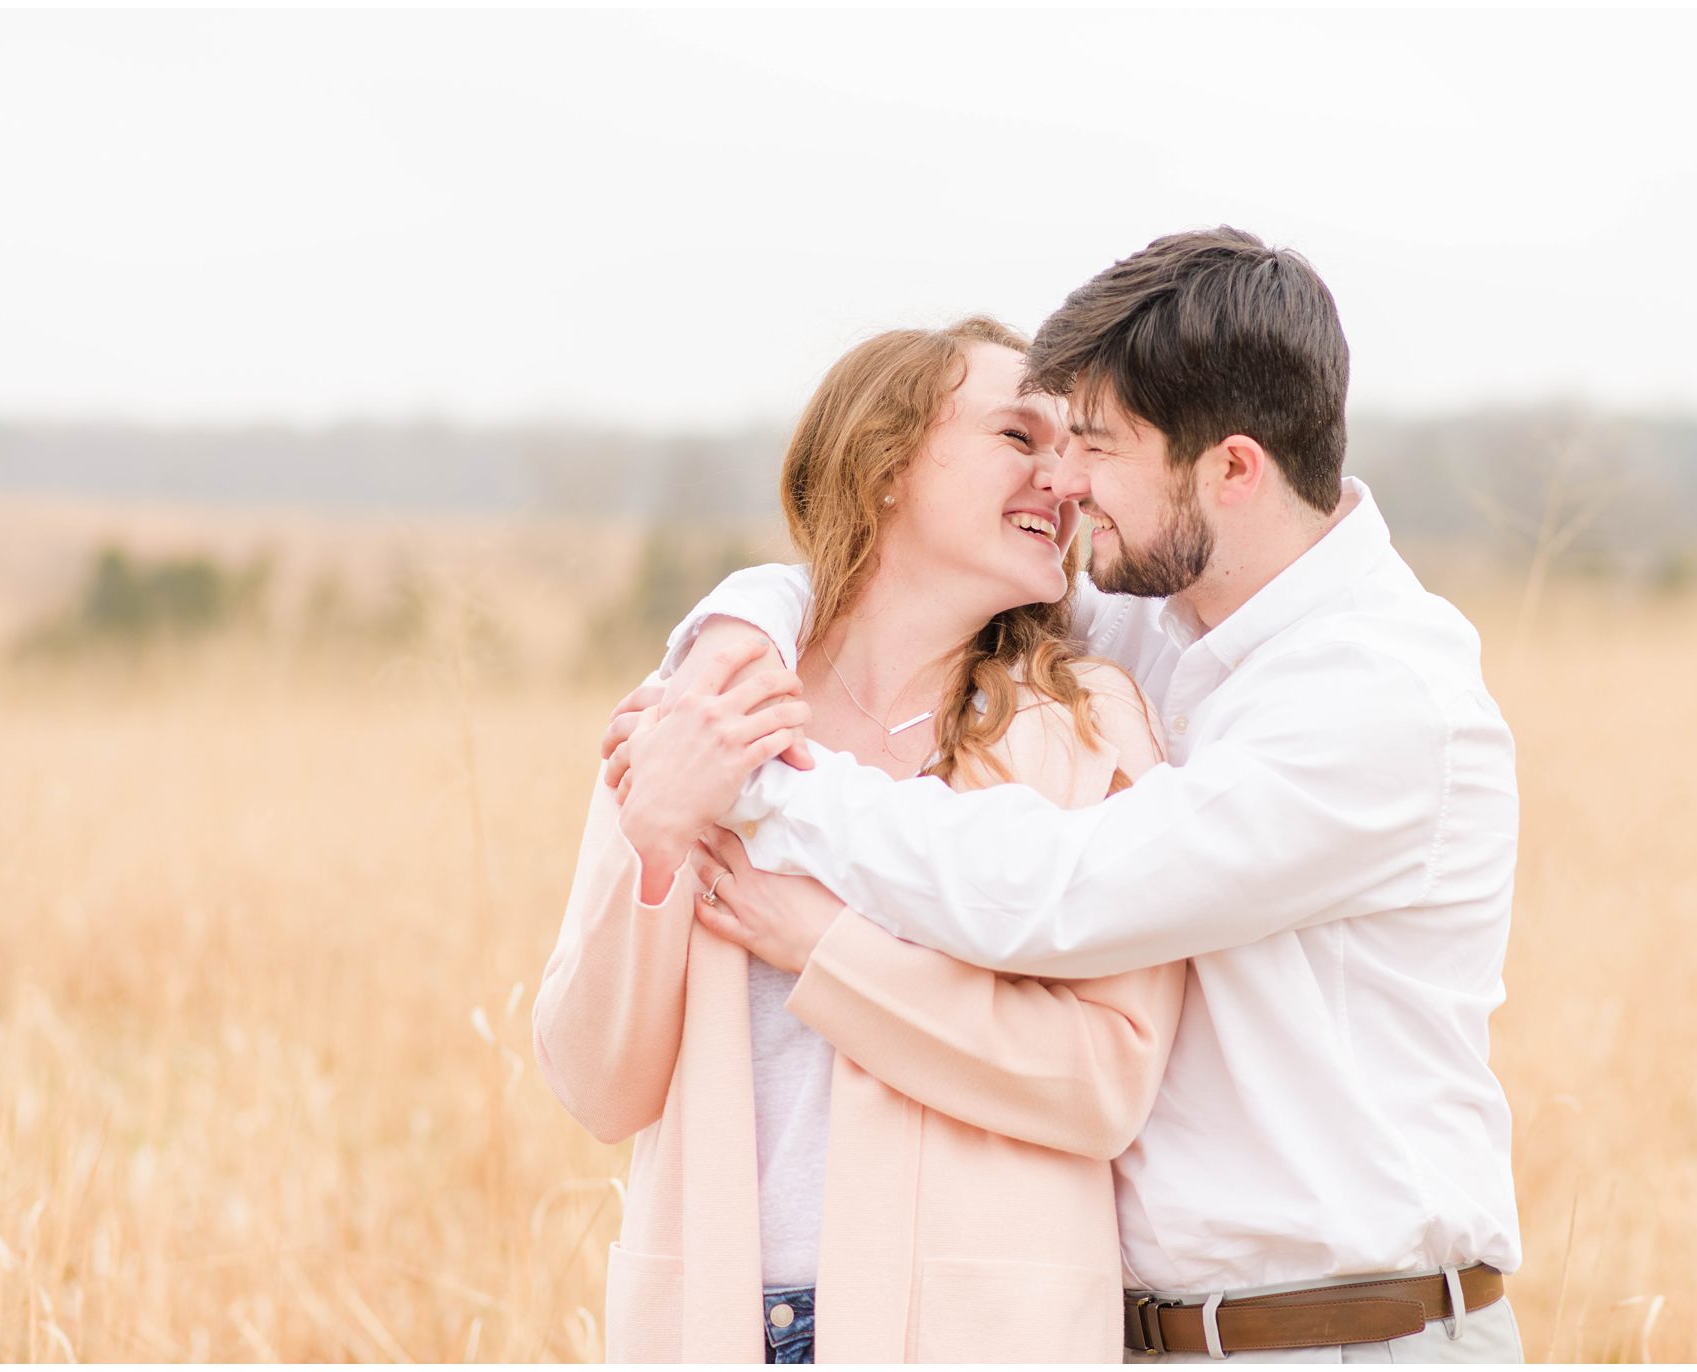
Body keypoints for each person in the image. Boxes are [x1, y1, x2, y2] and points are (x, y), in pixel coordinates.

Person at [608, 228, 1526, 1362]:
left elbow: (1058, 890)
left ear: (1229, 468)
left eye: (1096, 445)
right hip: (1144, 1338)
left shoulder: (1379, 698)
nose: (1065, 481)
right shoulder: (1153, 614)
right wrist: (735, 638)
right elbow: (897, 580)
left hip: (1348, 1332)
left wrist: (762, 785)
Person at [532, 316, 1187, 1362]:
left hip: (976, 1337)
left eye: (1072, 450)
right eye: (1020, 438)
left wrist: (823, 949)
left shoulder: (1086, 729)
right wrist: (653, 841)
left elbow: (1101, 1080)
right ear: (884, 464)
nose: (1064, 481)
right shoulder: (694, 715)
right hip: (714, 1331)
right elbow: (596, 1085)